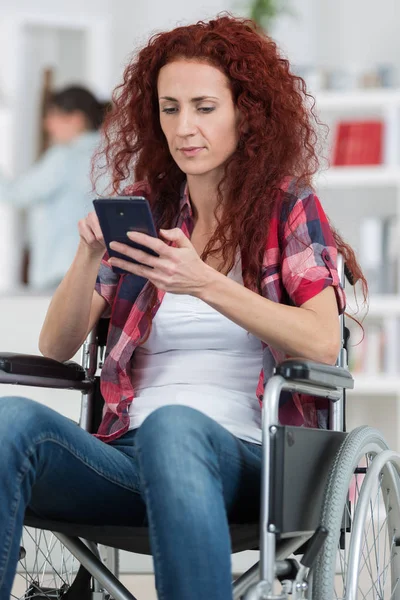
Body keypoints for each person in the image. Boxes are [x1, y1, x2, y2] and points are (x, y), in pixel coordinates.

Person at [0, 15, 367, 600]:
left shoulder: (289, 210)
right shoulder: (147, 215)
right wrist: (88, 256)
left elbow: (323, 342)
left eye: (203, 107)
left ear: (245, 114)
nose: (184, 128)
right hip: (128, 459)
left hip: (252, 461)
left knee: (176, 427)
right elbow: (55, 346)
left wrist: (205, 283)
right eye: (170, 109)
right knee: (8, 421)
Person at [0, 85, 107, 290]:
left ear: (76, 119)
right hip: (100, 273)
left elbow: (16, 194)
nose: (47, 125)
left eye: (53, 117)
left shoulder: (65, 157)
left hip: (61, 273)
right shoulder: (113, 155)